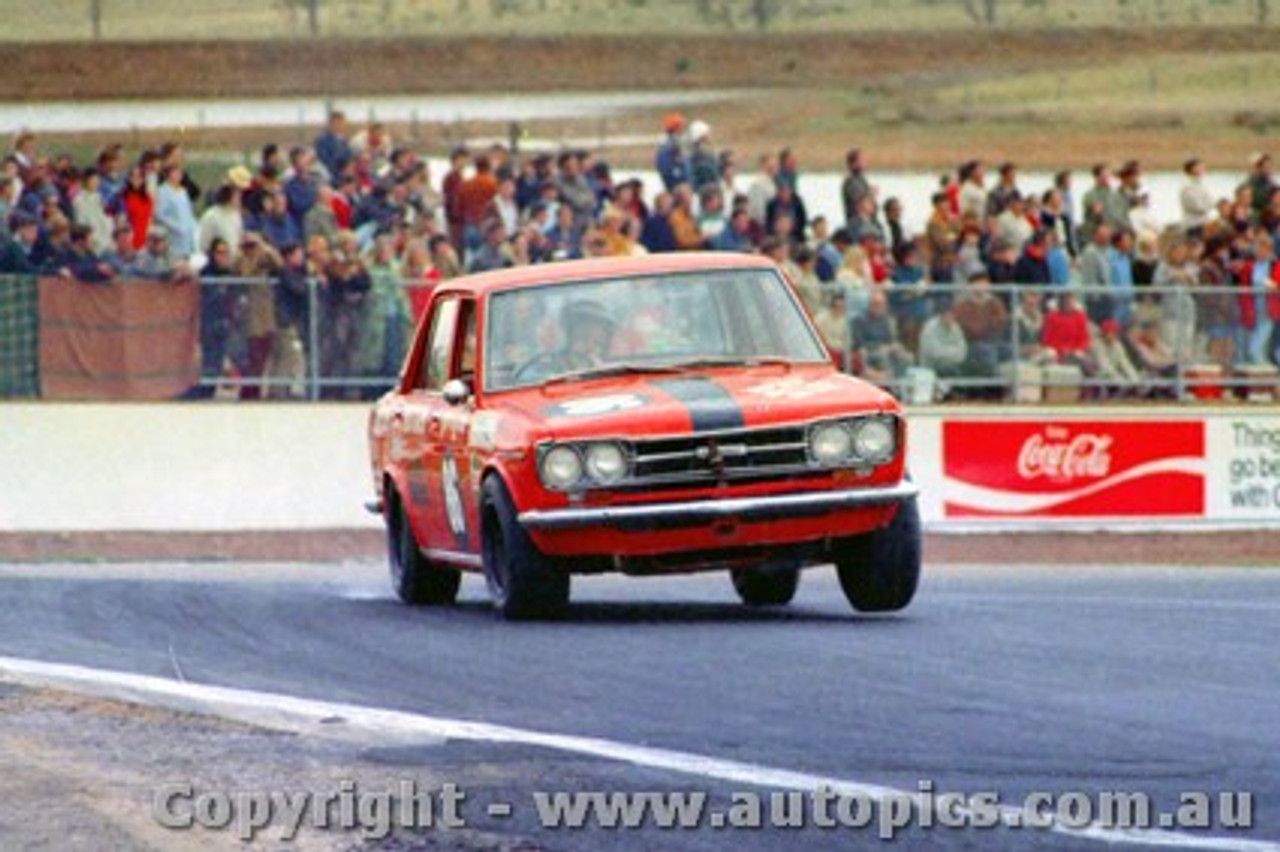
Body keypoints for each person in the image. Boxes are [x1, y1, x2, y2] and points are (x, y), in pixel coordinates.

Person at [521, 299, 616, 381]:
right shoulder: (541, 371)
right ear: (567, 338)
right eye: (583, 339)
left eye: (597, 343)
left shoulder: (608, 375)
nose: (590, 347)